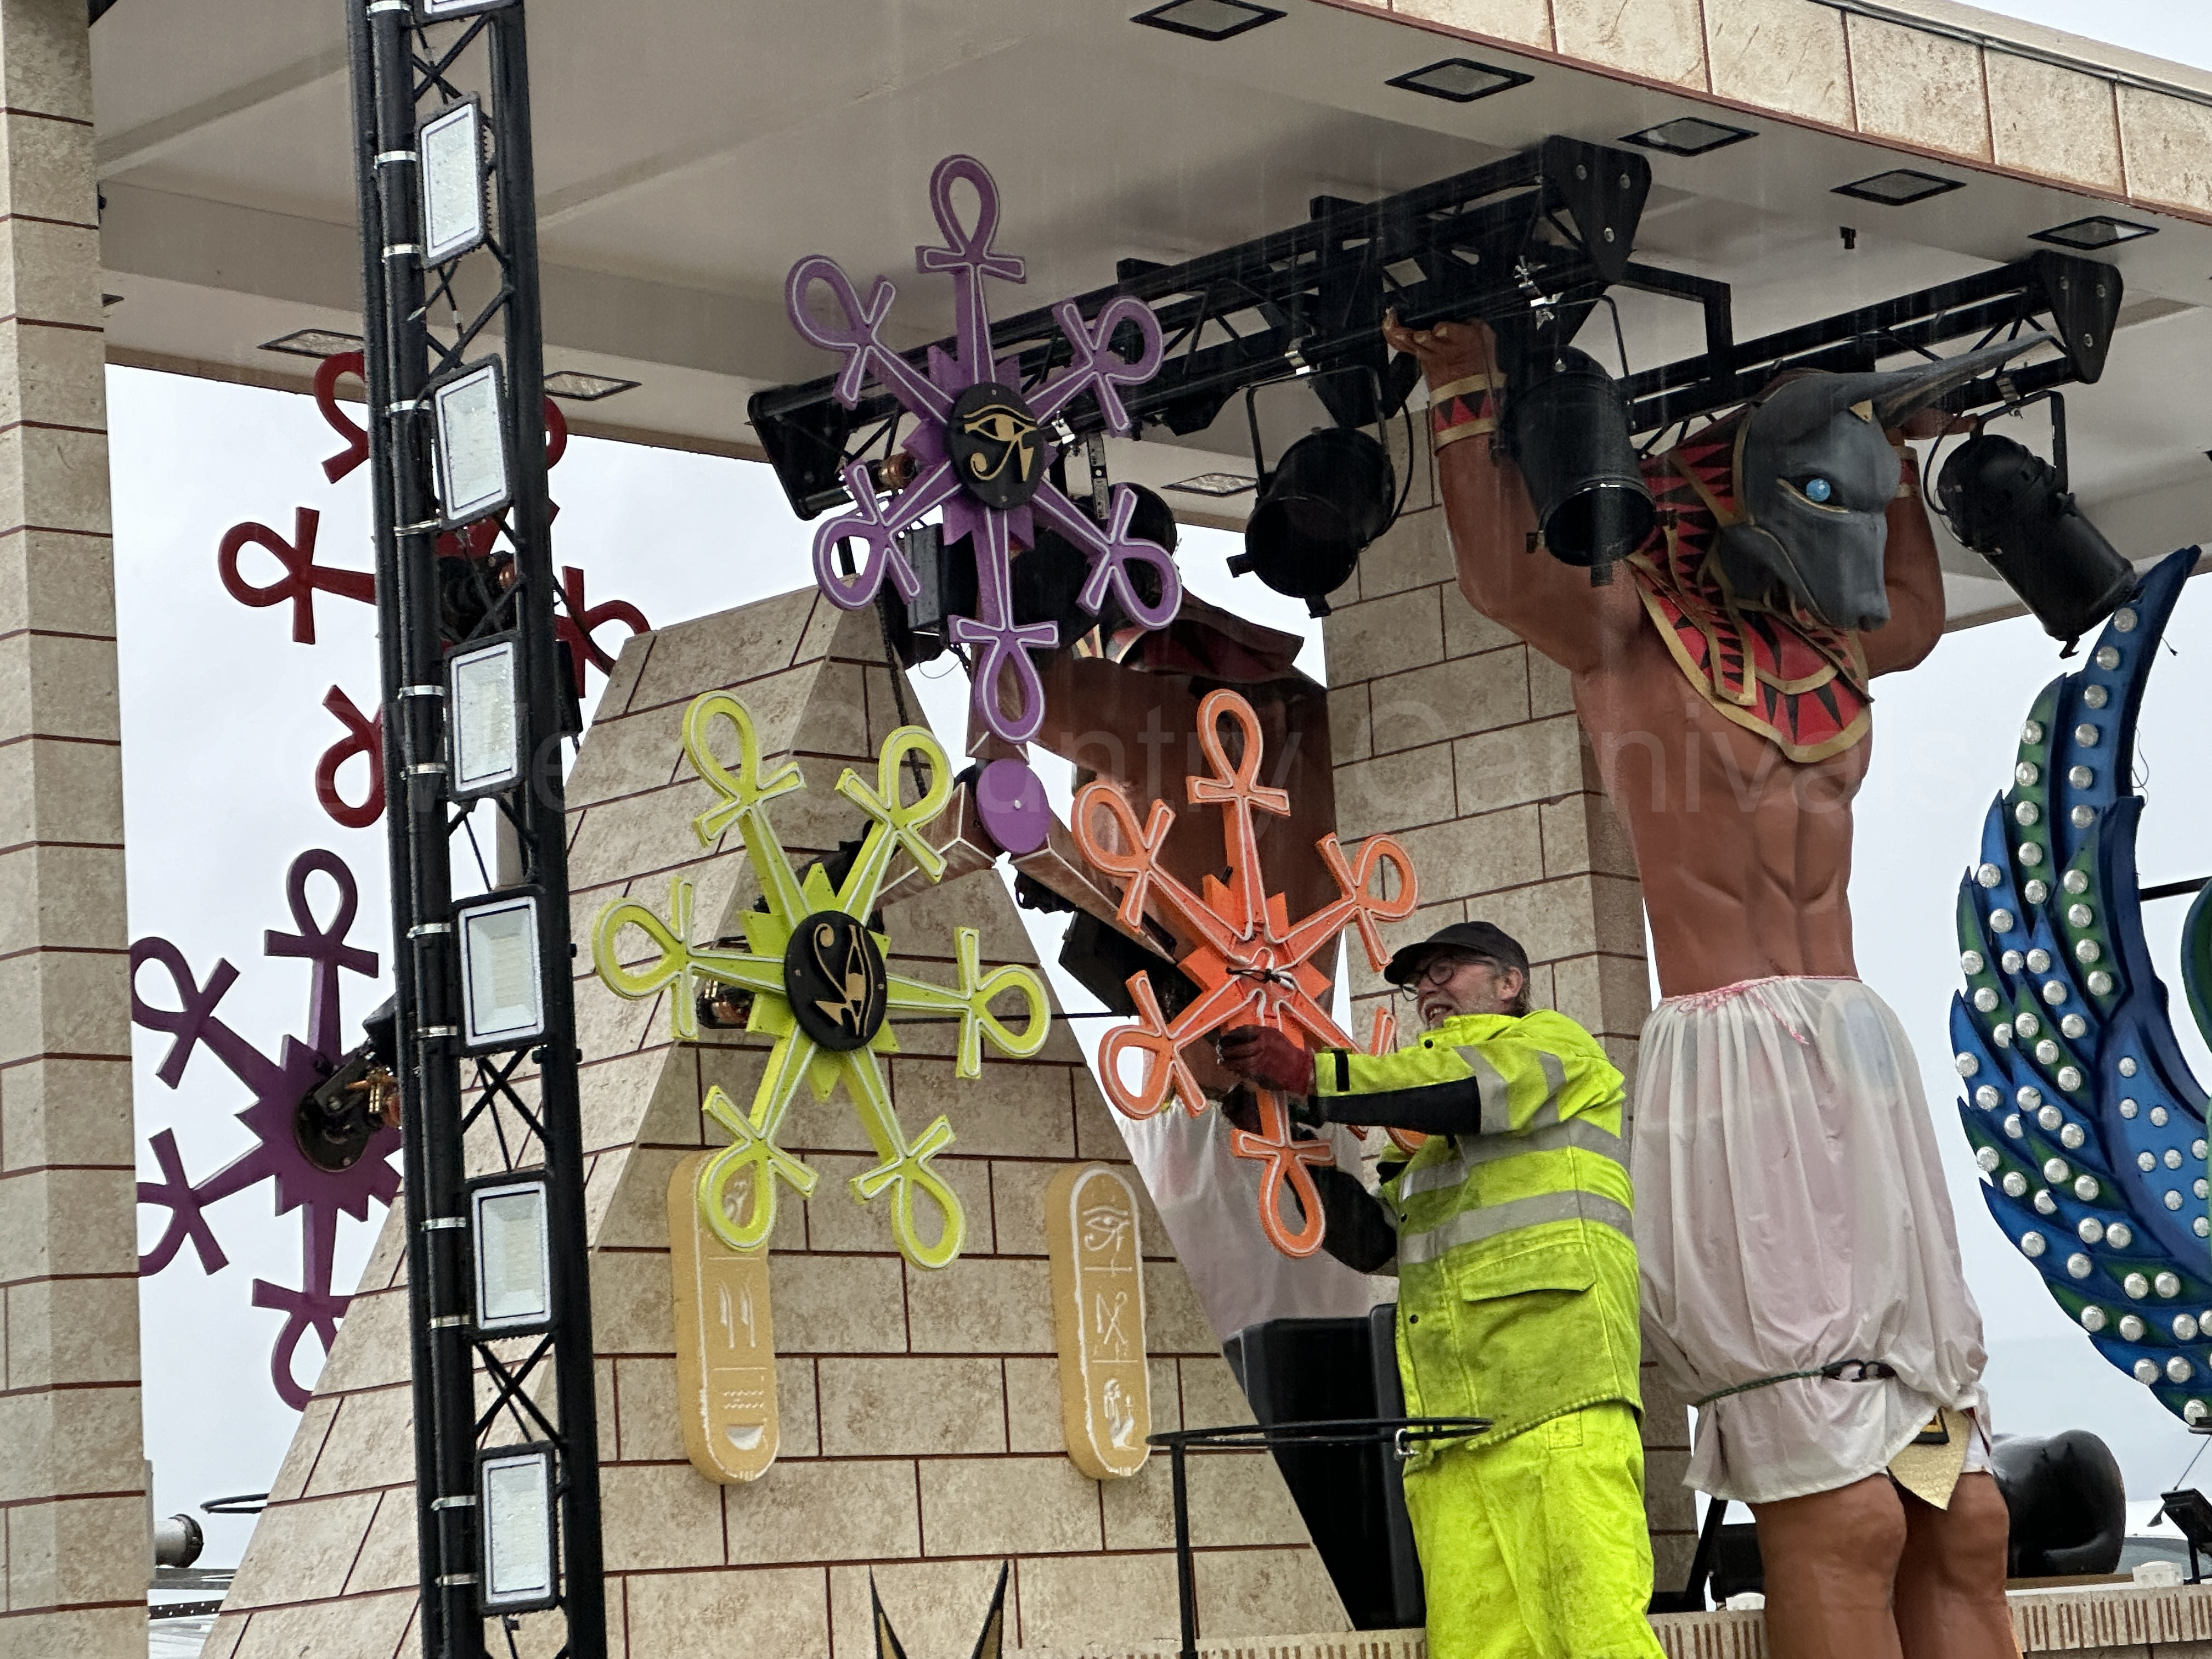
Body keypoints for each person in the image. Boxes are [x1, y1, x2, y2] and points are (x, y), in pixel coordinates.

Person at [1376, 309, 2014, 1659]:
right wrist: (1465, 392)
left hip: (1861, 1054)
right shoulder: (1632, 628)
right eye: (1830, 489)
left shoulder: (1830, 644)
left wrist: (1901, 461)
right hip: (1736, 1068)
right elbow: (1498, 578)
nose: (1850, 524)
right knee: (1843, 1514)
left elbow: (1912, 613)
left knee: (1963, 1514)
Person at [1215, 919, 1663, 1659]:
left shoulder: (1554, 1045)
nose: (1428, 988)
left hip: (1555, 1397)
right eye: (1418, 981)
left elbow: (1460, 1087)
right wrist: (1289, 1145)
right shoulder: (1427, 1157)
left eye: (1446, 969)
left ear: (1510, 982)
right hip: (1451, 1431)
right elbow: (1375, 1241)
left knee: (1594, 1630)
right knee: (1474, 1646)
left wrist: (1314, 1079)